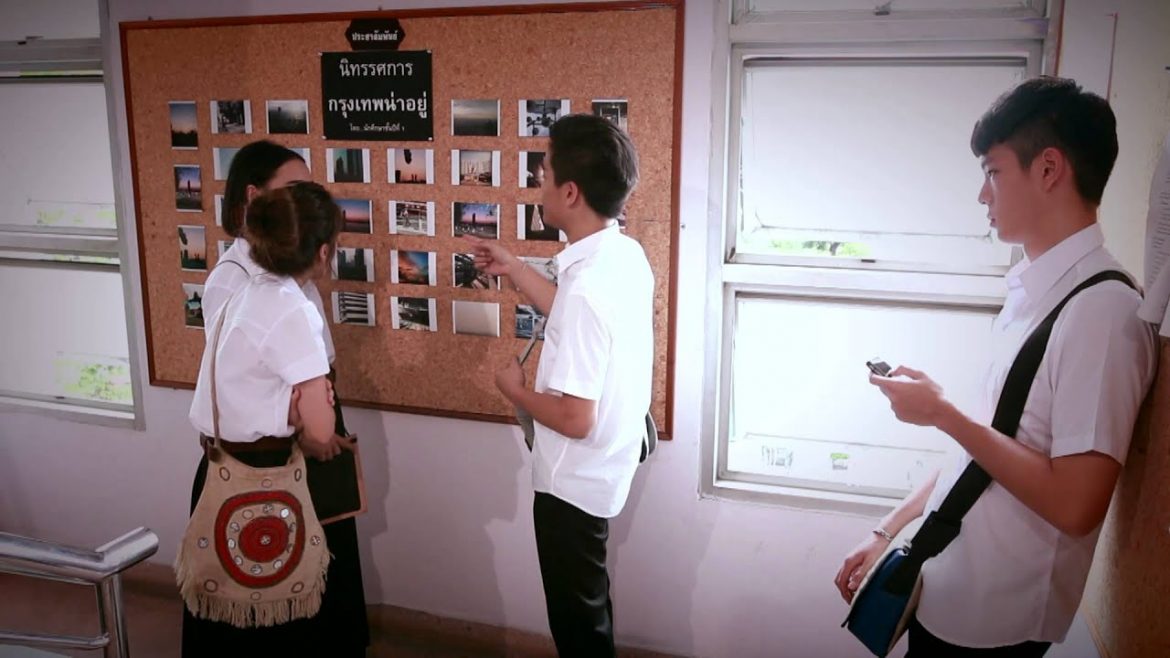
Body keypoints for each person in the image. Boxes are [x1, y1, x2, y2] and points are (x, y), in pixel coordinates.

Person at [834, 76, 1157, 656]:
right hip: (946, 587)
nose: (982, 195)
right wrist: (889, 529)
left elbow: (1076, 505)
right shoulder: (1031, 294)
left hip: (995, 626)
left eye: (992, 171)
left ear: (1049, 169)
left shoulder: (1103, 313)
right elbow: (985, 444)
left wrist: (943, 414)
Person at [467, 113, 652, 657]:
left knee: (577, 628)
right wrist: (514, 268)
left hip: (571, 486)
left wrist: (514, 391)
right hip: (601, 472)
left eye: (544, 173)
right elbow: (572, 313)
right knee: (588, 610)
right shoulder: (623, 255)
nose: (538, 182)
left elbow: (575, 418)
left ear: (570, 192)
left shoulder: (591, 285)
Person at [188, 142, 370, 654]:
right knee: (264, 586)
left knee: (315, 575)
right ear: (256, 198)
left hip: (301, 427)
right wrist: (301, 414)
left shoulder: (282, 278)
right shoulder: (241, 280)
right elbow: (236, 373)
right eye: (295, 191)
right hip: (267, 450)